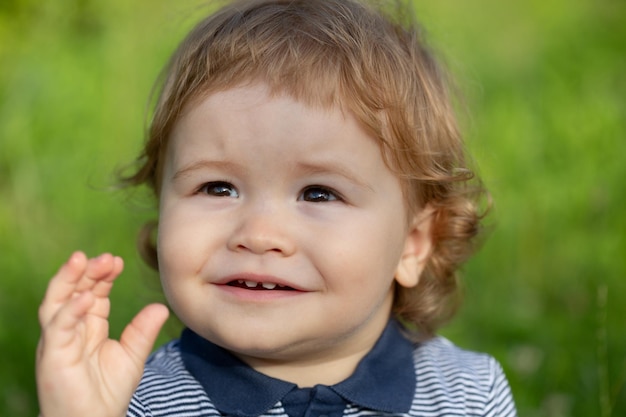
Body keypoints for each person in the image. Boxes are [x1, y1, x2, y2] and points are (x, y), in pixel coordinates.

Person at [36, 0, 517, 416]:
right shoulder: (134, 400)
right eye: (218, 188)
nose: (260, 234)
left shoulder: (468, 396)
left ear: (413, 245)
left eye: (318, 193)